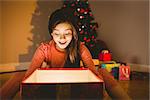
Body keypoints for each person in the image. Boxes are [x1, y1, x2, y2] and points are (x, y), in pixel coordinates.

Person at [0, 8, 130, 100]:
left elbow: (92, 73)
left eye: (67, 33)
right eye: (57, 34)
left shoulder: (80, 48)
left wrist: (99, 88)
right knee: (19, 76)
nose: (62, 38)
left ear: (73, 33)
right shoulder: (44, 49)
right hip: (48, 90)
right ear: (51, 33)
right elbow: (29, 76)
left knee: (103, 73)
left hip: (76, 90)